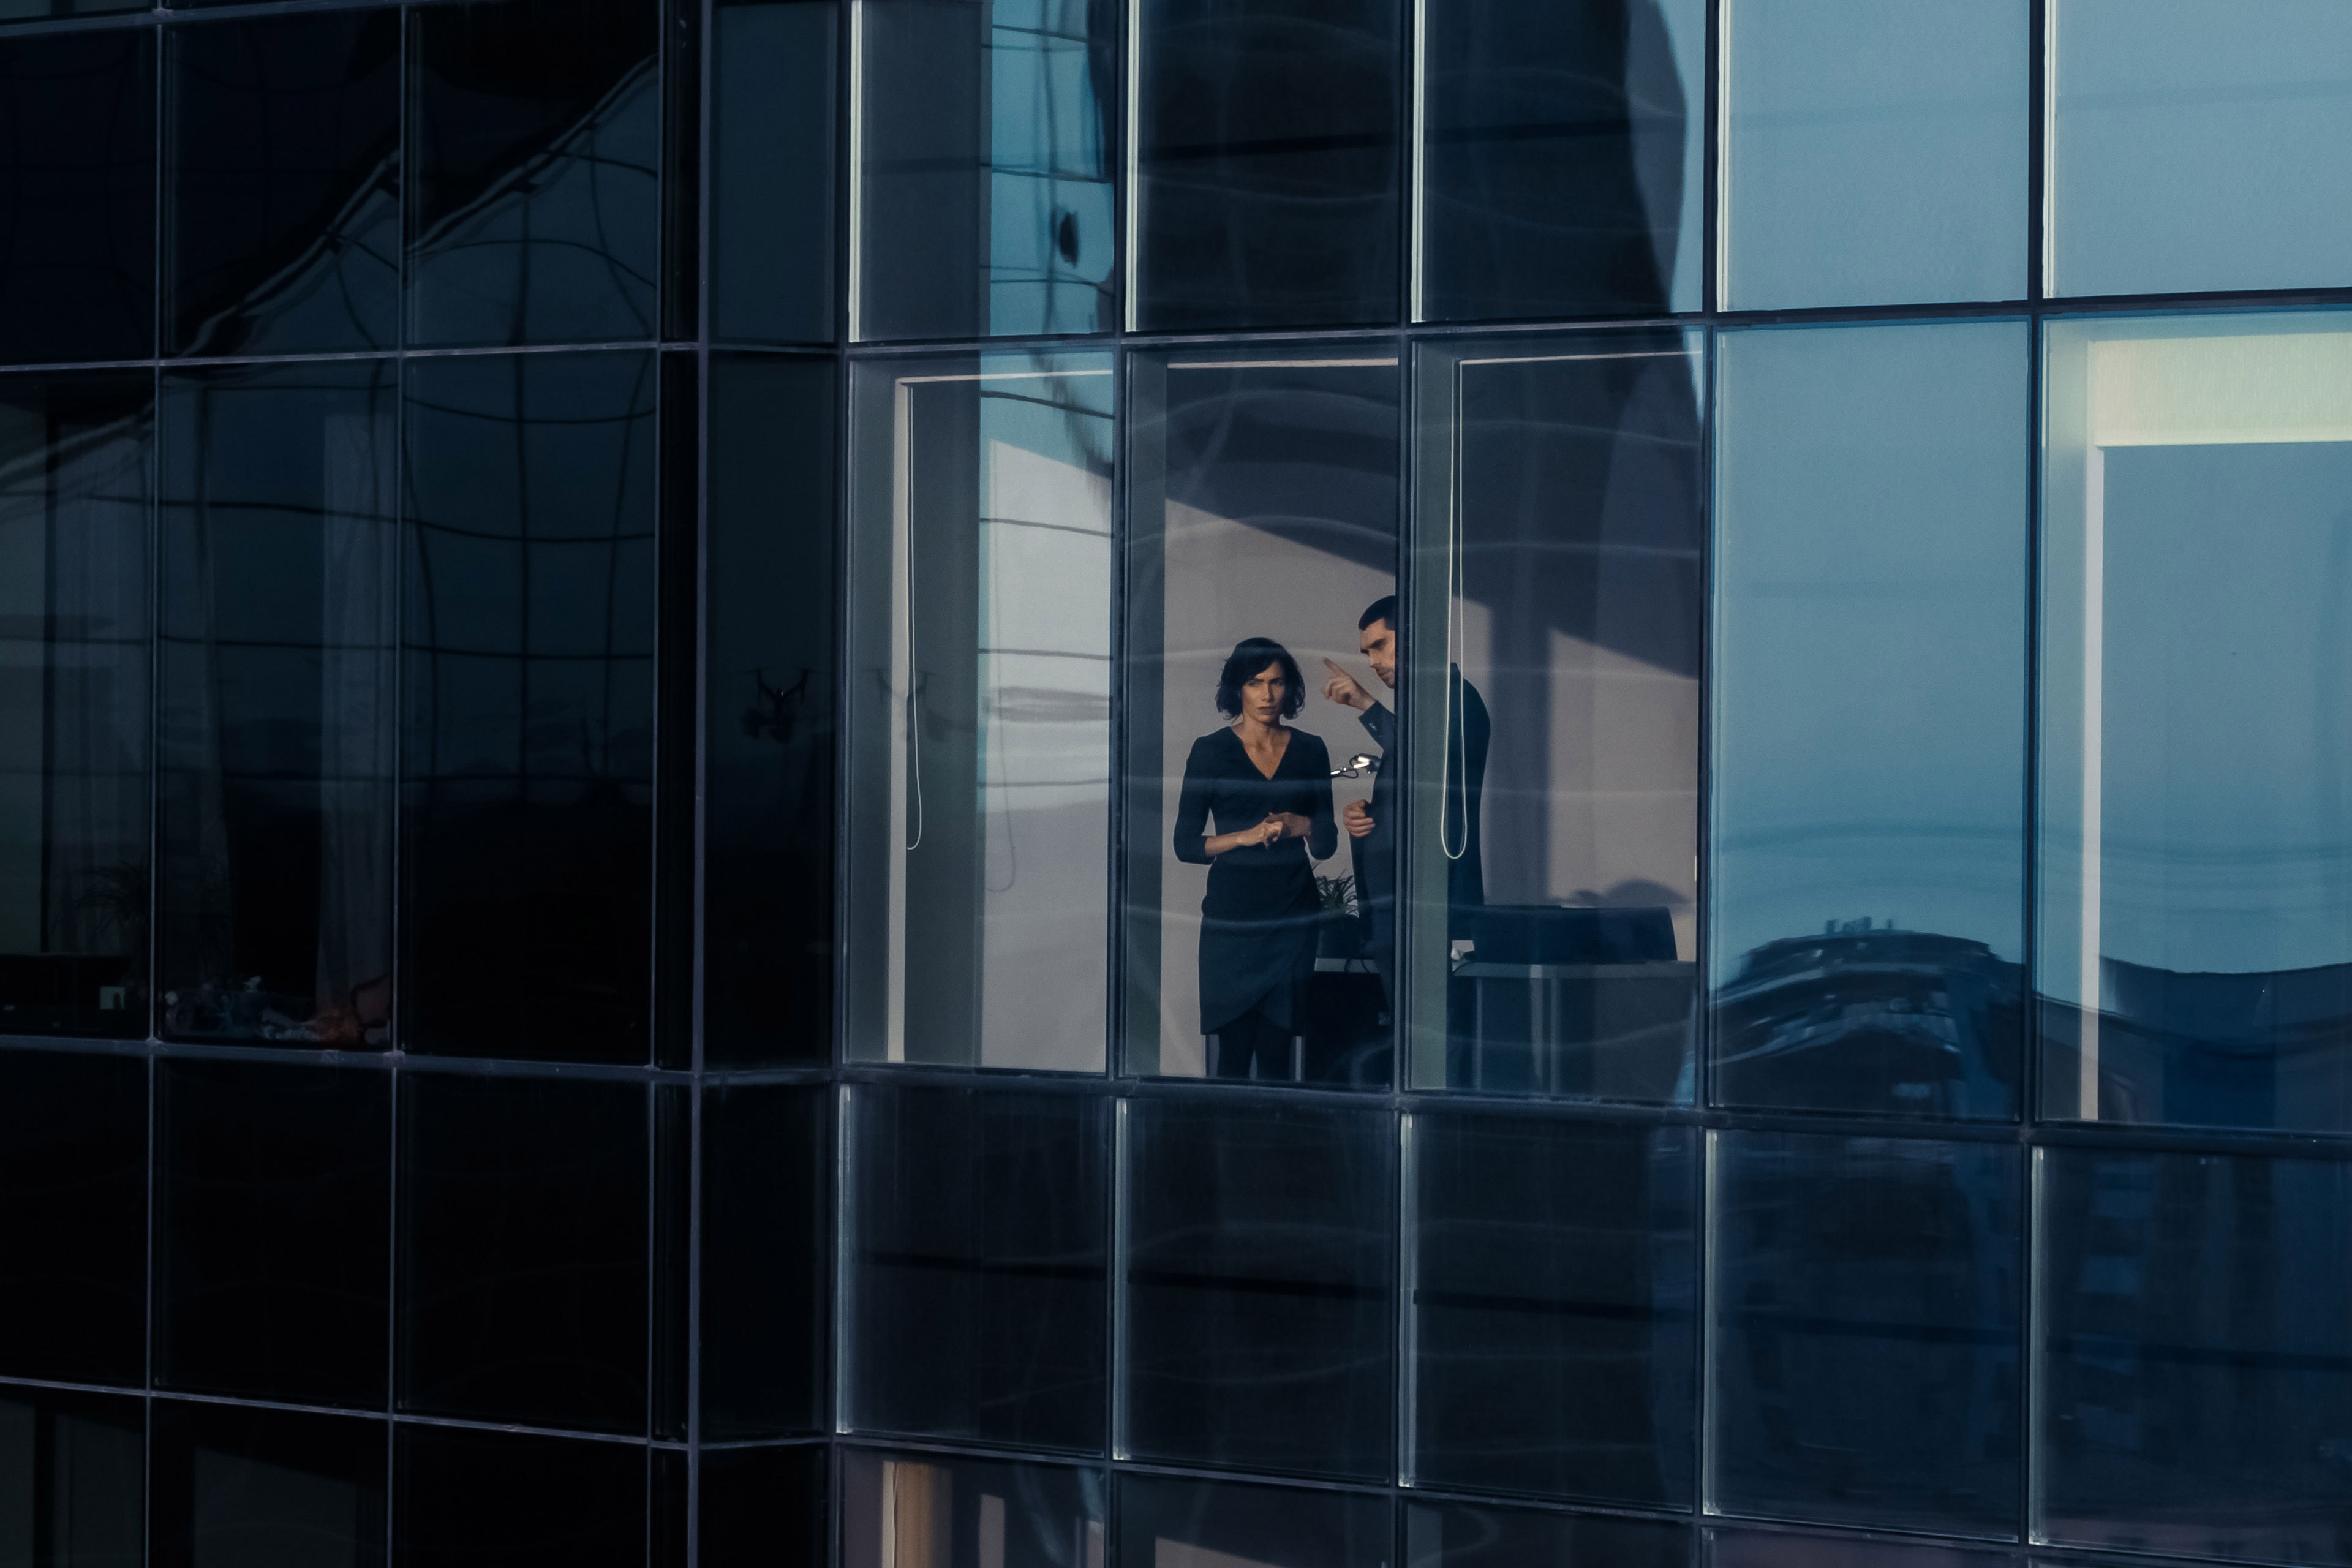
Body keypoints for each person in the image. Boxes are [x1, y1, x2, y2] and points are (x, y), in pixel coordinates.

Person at [1173, 638, 1339, 1079]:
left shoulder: (1311, 749)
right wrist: (1243, 837)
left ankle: (1278, 1145)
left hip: (1292, 917)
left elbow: (1326, 843)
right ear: (1237, 689)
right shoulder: (1210, 751)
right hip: (1233, 922)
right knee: (1232, 1055)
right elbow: (1185, 845)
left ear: (1290, 689)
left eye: (1277, 682)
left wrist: (1302, 825)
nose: (1267, 694)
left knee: (1277, 1053)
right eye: (1255, 682)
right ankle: (1225, 1146)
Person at [1320, 596, 1490, 984]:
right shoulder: (1415, 713)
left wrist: (1365, 704)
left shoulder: (1458, 699)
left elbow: (1426, 761)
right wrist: (1364, 818)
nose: (1373, 662)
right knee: (1406, 1034)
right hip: (1394, 916)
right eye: (1367, 652)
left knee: (1436, 1036)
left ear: (1415, 636)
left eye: (1380, 645)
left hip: (1431, 913)